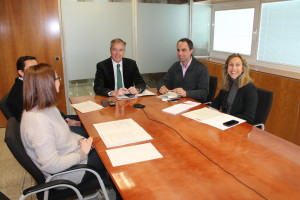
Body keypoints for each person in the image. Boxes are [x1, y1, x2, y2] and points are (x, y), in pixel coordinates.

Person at [20, 63, 112, 187]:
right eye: (57, 79)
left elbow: (65, 134)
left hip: (72, 155)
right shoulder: (38, 122)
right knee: (112, 155)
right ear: (47, 85)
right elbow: (52, 165)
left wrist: (80, 140)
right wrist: (81, 154)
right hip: (68, 173)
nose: (59, 82)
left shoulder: (45, 107)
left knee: (105, 143)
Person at [7, 56, 86, 136]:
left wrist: (66, 119)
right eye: (32, 68)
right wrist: (65, 122)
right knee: (87, 132)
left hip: (52, 121)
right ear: (21, 72)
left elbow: (49, 108)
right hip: (45, 130)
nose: (38, 71)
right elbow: (40, 123)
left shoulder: (31, 84)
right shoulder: (21, 93)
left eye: (37, 67)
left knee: (85, 121)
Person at [157, 38, 209, 102]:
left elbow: (204, 92)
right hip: (178, 102)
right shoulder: (175, 66)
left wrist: (186, 93)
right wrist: (161, 87)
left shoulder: (201, 68)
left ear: (191, 51)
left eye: (183, 50)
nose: (179, 53)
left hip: (193, 105)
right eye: (178, 50)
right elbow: (162, 81)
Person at [211, 53, 258, 124]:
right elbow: (216, 102)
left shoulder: (250, 89)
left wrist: (226, 117)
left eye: (237, 65)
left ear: (243, 68)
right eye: (231, 64)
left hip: (238, 125)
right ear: (227, 68)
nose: (233, 68)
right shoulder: (228, 83)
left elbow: (248, 117)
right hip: (223, 121)